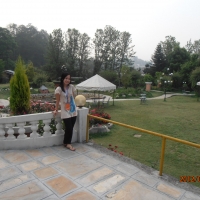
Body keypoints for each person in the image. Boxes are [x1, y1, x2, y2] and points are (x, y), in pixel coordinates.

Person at [53, 72, 77, 151]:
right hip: (65, 110)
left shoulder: (71, 87)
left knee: (70, 128)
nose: (67, 80)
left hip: (73, 109)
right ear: (63, 78)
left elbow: (74, 97)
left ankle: (65, 142)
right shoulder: (58, 89)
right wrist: (56, 109)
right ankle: (69, 144)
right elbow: (57, 101)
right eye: (66, 78)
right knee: (69, 127)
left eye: (69, 79)